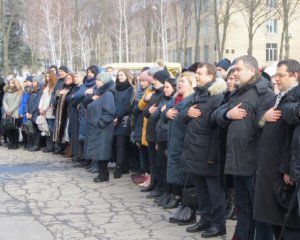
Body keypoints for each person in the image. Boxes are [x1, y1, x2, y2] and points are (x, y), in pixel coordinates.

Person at [213, 55, 275, 240]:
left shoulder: (265, 93)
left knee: (258, 212)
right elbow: (216, 114)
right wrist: (227, 114)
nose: (235, 73)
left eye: (238, 69)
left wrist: (263, 119)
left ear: (252, 70)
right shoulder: (238, 93)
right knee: (243, 209)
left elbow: (265, 126)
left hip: (253, 163)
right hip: (236, 161)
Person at [254, 59, 300, 239]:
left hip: (282, 171)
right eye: (275, 75)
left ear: (295, 75)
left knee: (287, 224)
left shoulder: (294, 97)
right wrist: (264, 117)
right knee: (273, 221)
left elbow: (293, 139)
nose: (276, 80)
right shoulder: (275, 97)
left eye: (280, 75)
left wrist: (287, 168)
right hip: (268, 167)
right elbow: (257, 120)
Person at [181, 63, 227, 238]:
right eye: (196, 73)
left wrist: (213, 155)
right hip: (194, 151)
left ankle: (218, 225)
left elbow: (217, 130)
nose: (197, 76)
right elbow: (184, 115)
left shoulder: (217, 97)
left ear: (211, 77)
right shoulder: (198, 94)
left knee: (215, 193)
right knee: (201, 191)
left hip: (209, 153)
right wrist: (187, 113)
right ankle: (205, 220)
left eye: (200, 74)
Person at [165, 71, 196, 224]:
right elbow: (163, 110)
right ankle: (182, 205)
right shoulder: (175, 99)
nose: (180, 83)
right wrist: (166, 112)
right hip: (174, 143)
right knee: (177, 178)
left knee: (186, 179)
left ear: (192, 83)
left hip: (185, 144)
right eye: (179, 81)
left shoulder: (192, 100)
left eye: (184, 81)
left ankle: (189, 209)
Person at [82, 72, 116, 182]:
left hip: (103, 128)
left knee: (102, 151)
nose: (96, 81)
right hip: (97, 127)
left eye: (99, 80)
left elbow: (109, 111)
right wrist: (92, 98)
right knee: (99, 151)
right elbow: (85, 103)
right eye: (96, 79)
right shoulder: (99, 92)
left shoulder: (108, 94)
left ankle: (103, 175)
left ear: (105, 81)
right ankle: (103, 174)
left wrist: (100, 123)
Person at [154, 77, 176, 207]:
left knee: (169, 168)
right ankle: (165, 192)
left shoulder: (173, 101)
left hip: (168, 138)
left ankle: (171, 194)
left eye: (167, 87)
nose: (165, 89)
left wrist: (165, 112)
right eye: (164, 87)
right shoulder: (164, 100)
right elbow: (155, 116)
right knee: (162, 166)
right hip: (160, 137)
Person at [112, 69, 134, 178]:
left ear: (127, 76)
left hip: (124, 119)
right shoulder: (115, 88)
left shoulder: (130, 89)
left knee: (121, 143)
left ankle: (119, 167)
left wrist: (117, 117)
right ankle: (124, 165)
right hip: (114, 118)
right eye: (118, 75)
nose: (119, 77)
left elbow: (126, 104)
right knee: (117, 143)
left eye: (122, 75)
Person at [53, 73, 76, 154]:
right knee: (58, 128)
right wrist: (58, 95)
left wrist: (65, 93)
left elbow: (70, 99)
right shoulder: (62, 87)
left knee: (65, 129)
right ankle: (58, 145)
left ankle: (64, 146)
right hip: (59, 111)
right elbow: (56, 101)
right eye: (66, 78)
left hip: (66, 112)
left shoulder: (72, 88)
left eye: (69, 78)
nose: (67, 79)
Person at [39, 71, 57, 152]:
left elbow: (50, 100)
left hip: (49, 110)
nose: (47, 78)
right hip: (44, 110)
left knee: (51, 128)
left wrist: (44, 109)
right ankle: (48, 145)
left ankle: (52, 146)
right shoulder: (46, 86)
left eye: (48, 77)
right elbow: (42, 98)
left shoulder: (53, 87)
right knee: (46, 128)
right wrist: (40, 108)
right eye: (46, 77)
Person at [3, 78, 23, 149]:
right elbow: (4, 101)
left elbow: (17, 103)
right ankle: (10, 143)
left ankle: (15, 143)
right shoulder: (7, 91)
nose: (11, 84)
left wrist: (10, 111)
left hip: (15, 112)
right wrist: (6, 110)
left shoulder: (19, 92)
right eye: (10, 83)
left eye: (12, 83)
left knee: (15, 128)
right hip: (7, 112)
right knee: (8, 128)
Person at [26, 75, 44, 151]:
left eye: (34, 81)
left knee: (37, 129)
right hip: (30, 112)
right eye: (32, 81)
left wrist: (31, 112)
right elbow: (28, 101)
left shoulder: (40, 90)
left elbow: (37, 103)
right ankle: (33, 144)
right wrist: (27, 111)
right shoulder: (31, 90)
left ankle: (37, 145)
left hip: (35, 113)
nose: (33, 83)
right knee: (32, 129)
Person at [19, 76, 33, 149]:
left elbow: (29, 103)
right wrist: (20, 112)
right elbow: (22, 103)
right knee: (23, 128)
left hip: (28, 111)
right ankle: (25, 142)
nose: (27, 82)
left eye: (29, 81)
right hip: (23, 111)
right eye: (26, 81)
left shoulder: (31, 91)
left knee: (29, 129)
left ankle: (29, 143)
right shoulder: (25, 91)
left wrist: (27, 112)